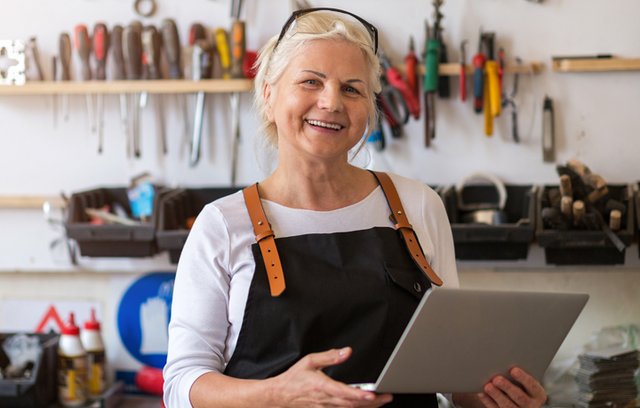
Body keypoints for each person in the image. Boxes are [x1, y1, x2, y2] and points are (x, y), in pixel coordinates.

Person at [163, 8, 548, 408]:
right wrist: (276, 394)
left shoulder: (418, 205)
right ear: (268, 93)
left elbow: (450, 375)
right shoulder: (222, 225)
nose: (331, 102)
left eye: (351, 89)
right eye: (311, 81)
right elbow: (181, 386)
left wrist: (494, 398)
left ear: (370, 106)